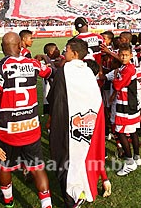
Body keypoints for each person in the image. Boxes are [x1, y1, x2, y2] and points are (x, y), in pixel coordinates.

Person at [0, 32, 53, 208]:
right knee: (38, 168)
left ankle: (8, 200)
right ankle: (46, 205)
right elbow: (47, 71)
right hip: (31, 127)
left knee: (5, 166)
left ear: (3, 48)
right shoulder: (32, 64)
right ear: (20, 46)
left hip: (7, 129)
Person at [47, 38, 109, 207]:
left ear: (74, 53)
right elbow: (96, 98)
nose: (63, 52)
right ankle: (79, 188)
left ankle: (72, 197)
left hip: (67, 122)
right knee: (81, 157)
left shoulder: (64, 71)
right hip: (87, 121)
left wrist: (52, 118)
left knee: (63, 159)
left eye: (66, 50)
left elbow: (55, 98)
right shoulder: (88, 71)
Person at [111, 43, 141, 176]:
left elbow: (117, 85)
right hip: (130, 103)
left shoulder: (128, 69)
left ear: (131, 55)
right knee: (133, 131)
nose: (123, 57)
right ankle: (137, 157)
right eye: (121, 55)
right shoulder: (125, 67)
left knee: (120, 131)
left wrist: (116, 77)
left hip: (125, 104)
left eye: (126, 55)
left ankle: (129, 162)